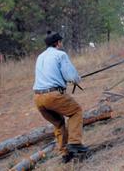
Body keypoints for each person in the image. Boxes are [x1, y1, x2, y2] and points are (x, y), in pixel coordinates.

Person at [33, 31, 88, 162]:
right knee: (76, 111)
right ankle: (75, 143)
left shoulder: (40, 57)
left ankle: (65, 153)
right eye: (60, 41)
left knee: (58, 123)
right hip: (53, 95)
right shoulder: (60, 55)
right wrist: (76, 79)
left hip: (38, 98)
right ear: (58, 43)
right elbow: (71, 77)